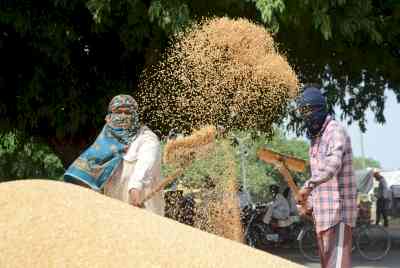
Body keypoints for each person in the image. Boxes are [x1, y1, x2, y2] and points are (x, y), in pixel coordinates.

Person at [64, 94, 165, 216]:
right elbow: (90, 169)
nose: (123, 116)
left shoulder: (147, 138)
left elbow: (145, 165)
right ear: (110, 116)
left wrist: (135, 188)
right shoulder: (105, 139)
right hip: (113, 209)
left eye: (127, 112)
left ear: (135, 115)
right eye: (118, 112)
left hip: (141, 204)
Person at [297, 85, 357, 268]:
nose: (305, 116)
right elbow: (319, 177)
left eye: (308, 111)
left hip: (338, 214)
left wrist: (307, 186)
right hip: (322, 216)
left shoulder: (334, 131)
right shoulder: (316, 138)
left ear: (318, 109)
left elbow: (332, 165)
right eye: (302, 112)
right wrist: (308, 204)